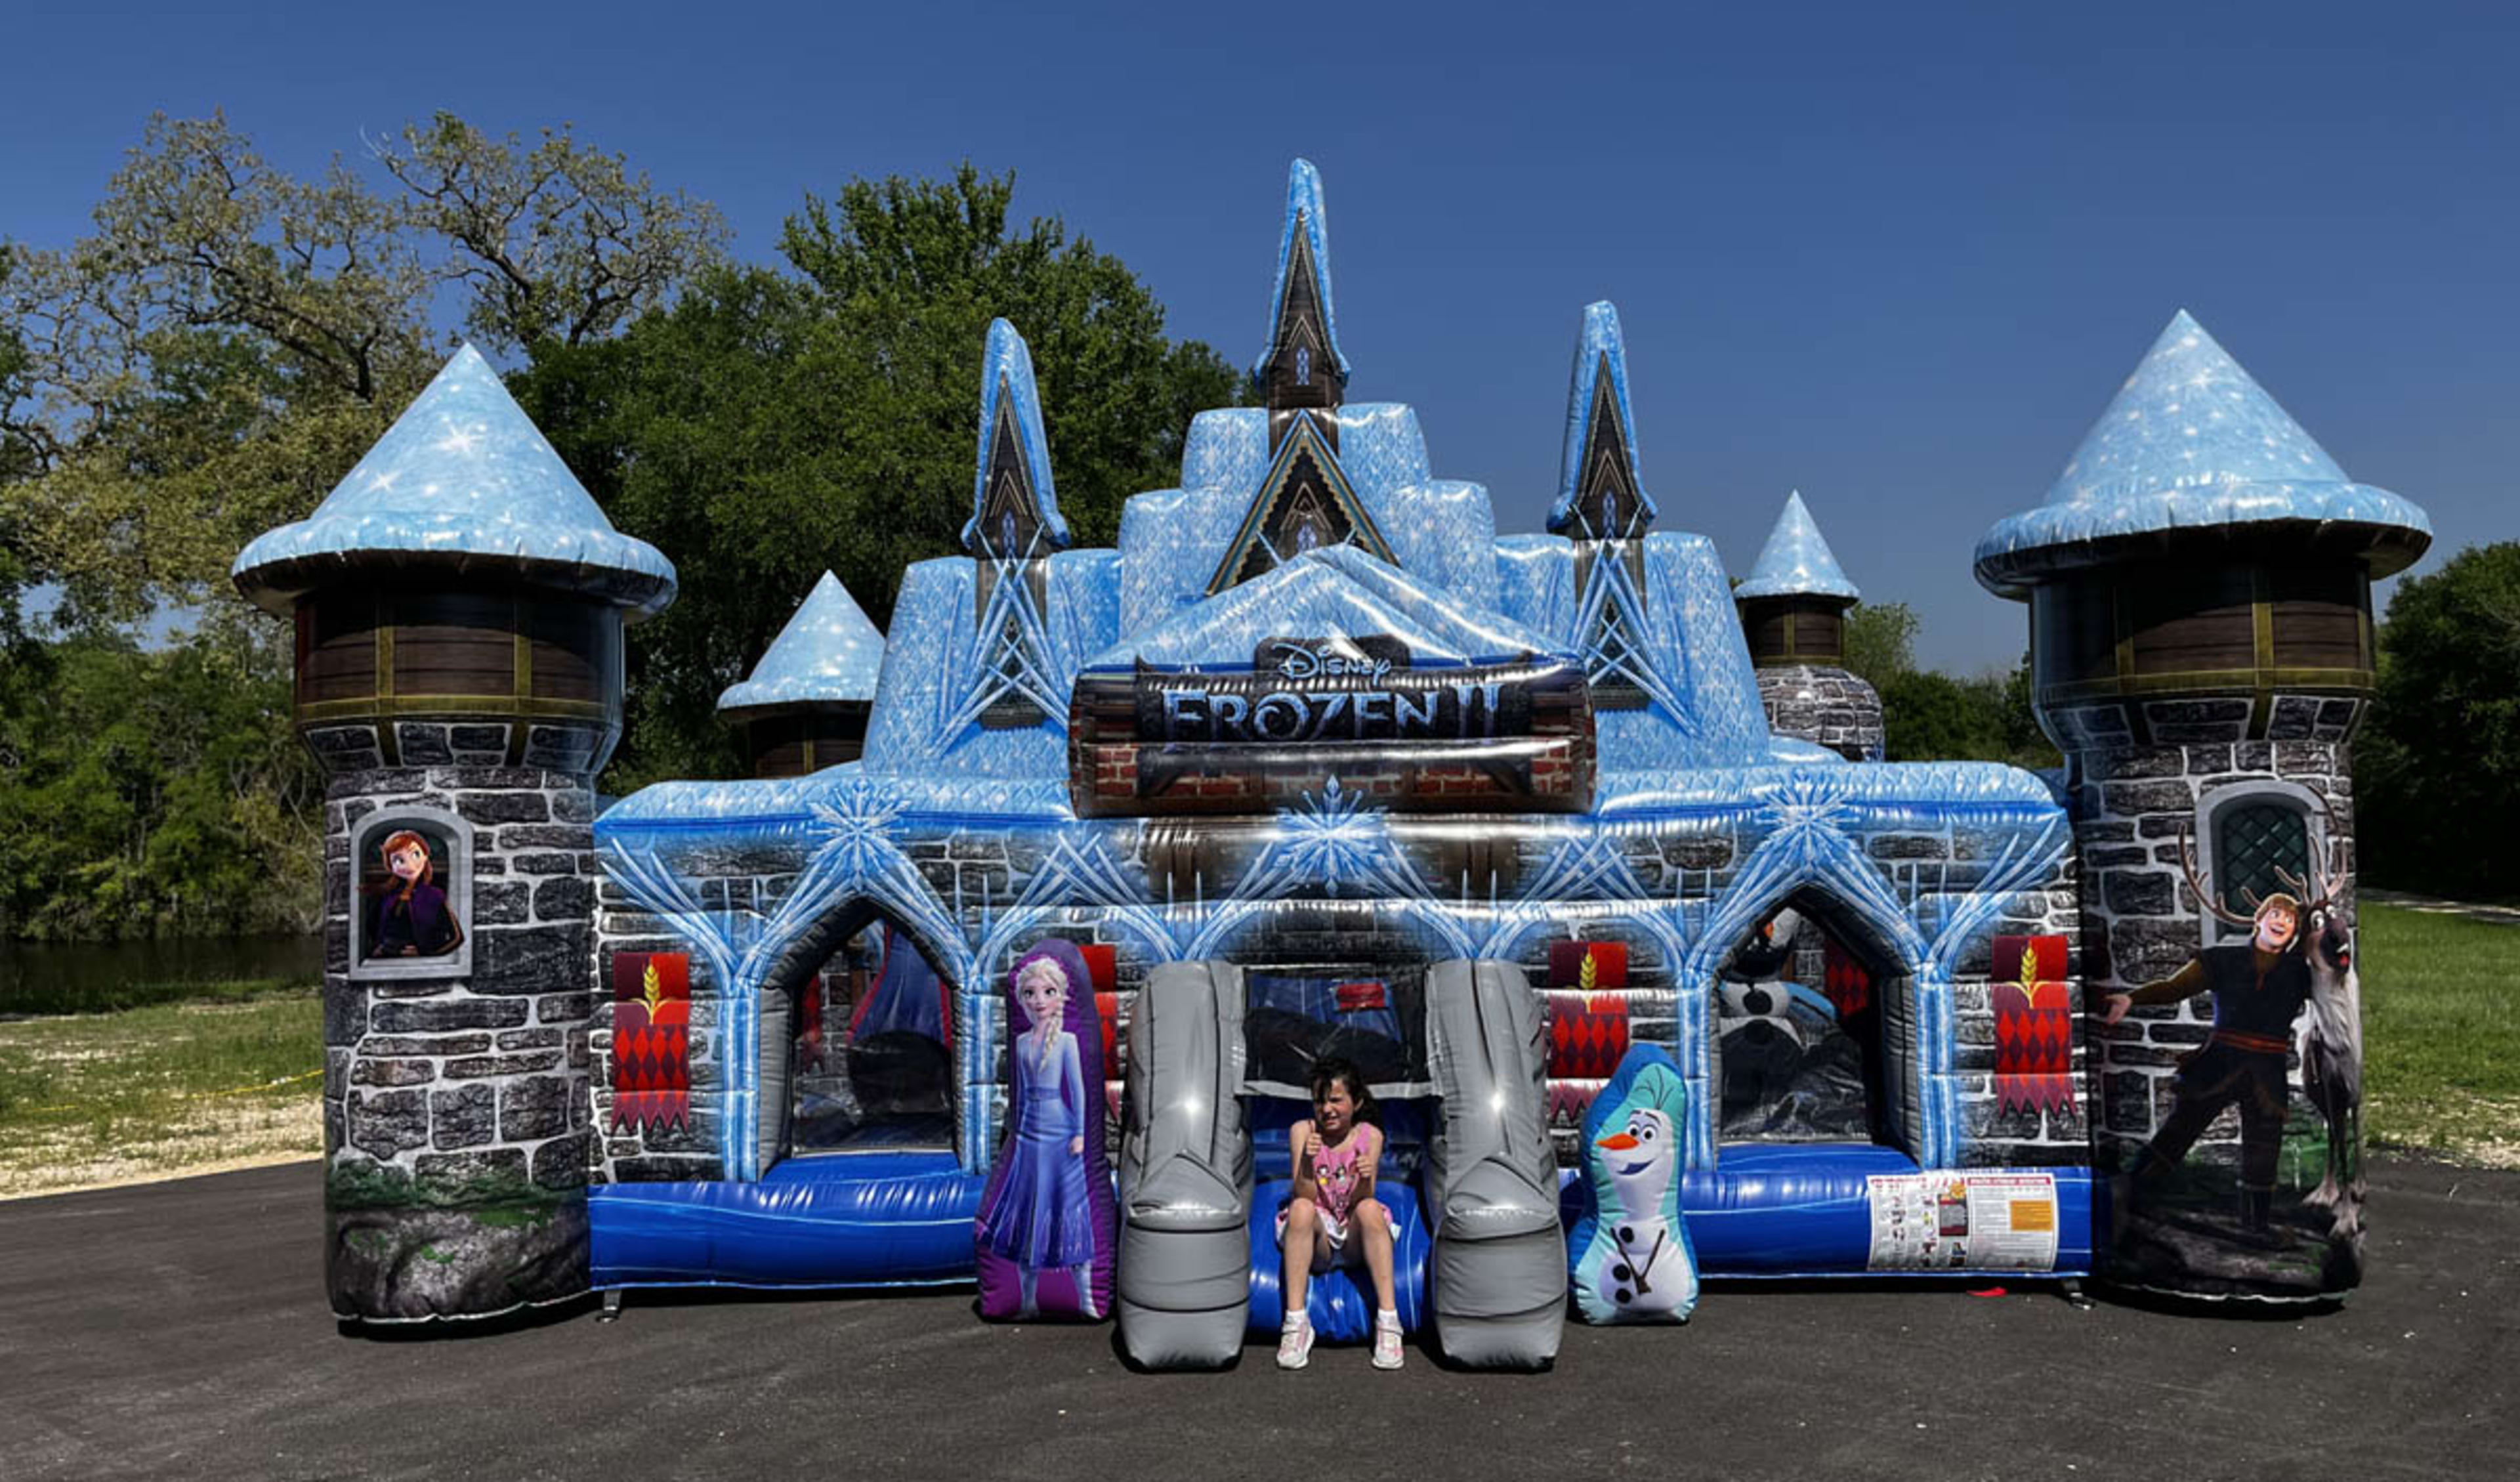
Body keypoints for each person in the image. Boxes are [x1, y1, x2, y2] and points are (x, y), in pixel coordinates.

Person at [2099, 893, 2311, 1239]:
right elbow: (2174, 988)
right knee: (2178, 1131)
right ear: (2259, 919)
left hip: (2267, 1071)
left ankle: (2255, 1227)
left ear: (2292, 934)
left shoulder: (2299, 972)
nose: (2281, 922)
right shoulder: (2222, 959)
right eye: (2275, 914)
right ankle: (2127, 1197)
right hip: (2219, 1062)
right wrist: (2132, 998)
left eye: (2289, 920)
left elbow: (2334, 975)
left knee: (2264, 1146)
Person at [977, 948, 1097, 1317]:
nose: (1038, 1001)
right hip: (1029, 1134)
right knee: (1029, 1214)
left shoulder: (1067, 1043)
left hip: (1060, 1132)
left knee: (1068, 1209)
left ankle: (1087, 1297)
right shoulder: (1020, 1043)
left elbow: (1077, 1089)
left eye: (1047, 992)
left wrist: (1079, 1133)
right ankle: (1028, 1301)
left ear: (1060, 996)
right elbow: (1019, 1093)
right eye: (1030, 993)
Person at [1276, 1057, 1402, 1371]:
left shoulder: (1370, 1136)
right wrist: (1308, 1161)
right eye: (1320, 1102)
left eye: (1335, 1100)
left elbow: (1363, 1198)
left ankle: (1389, 1321)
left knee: (1372, 1209)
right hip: (1318, 1238)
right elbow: (1303, 1194)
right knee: (1302, 1209)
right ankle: (1296, 1323)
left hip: (1353, 1237)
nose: (1327, 1110)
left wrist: (1364, 1177)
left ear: (1356, 1102)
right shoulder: (1302, 1131)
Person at [367, 830, 462, 960]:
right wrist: (377, 948)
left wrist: (426, 953)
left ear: (425, 856)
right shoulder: (387, 896)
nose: (410, 865)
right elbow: (371, 928)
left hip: (415, 962)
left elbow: (457, 937)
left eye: (415, 854)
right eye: (399, 860)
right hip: (385, 960)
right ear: (391, 866)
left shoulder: (434, 895)